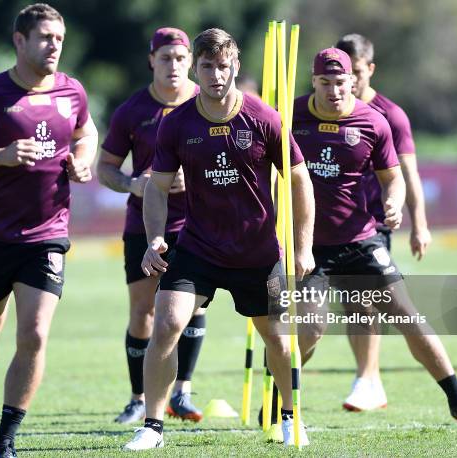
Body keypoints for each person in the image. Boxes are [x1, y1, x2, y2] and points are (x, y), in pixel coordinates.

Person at [124, 28, 316, 450]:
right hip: (198, 247)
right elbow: (155, 187)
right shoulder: (177, 124)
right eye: (206, 66)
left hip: (257, 250)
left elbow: (299, 181)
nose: (215, 75)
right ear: (197, 67)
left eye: (222, 66)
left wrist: (303, 247)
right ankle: (152, 427)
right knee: (168, 323)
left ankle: (290, 417)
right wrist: (155, 239)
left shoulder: (264, 118)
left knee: (279, 340)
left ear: (236, 67)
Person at [292, 47, 457, 425]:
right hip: (308, 246)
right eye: (325, 83)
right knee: (309, 330)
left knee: (409, 316)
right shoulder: (289, 116)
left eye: (340, 82)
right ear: (312, 80)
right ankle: (283, 397)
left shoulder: (374, 121)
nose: (333, 91)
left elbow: (393, 177)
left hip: (360, 240)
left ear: (354, 79)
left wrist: (394, 203)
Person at [0, 4, 98, 457]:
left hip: (47, 234)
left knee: (34, 335)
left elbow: (86, 132)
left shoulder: (73, 91)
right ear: (20, 40)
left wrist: (82, 161)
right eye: (45, 37)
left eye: (59, 39)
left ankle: (4, 442)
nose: (54, 46)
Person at [97, 27, 205, 424]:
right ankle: (138, 398)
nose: (173, 65)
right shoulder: (132, 111)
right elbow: (104, 168)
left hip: (197, 224)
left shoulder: (206, 101)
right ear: (151, 61)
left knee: (192, 308)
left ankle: (183, 393)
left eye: (180, 58)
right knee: (143, 311)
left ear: (190, 61)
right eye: (165, 58)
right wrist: (132, 184)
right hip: (143, 225)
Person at [335, 33, 432, 411]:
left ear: (369, 69)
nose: (351, 79)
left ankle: (368, 380)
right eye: (343, 71)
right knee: (354, 304)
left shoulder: (391, 115)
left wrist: (419, 223)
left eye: (356, 71)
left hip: (374, 225)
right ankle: (367, 379)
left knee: (367, 303)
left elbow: (409, 174)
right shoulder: (325, 111)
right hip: (337, 225)